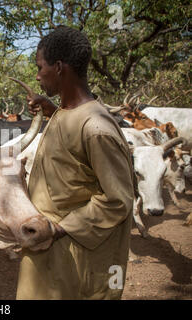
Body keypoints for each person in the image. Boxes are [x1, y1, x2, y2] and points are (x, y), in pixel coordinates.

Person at [16, 26, 134, 299]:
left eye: (39, 67)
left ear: (58, 67)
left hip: (75, 258)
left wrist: (58, 228)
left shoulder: (96, 128)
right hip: (48, 249)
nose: (36, 75)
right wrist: (52, 109)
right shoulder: (69, 113)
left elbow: (118, 200)